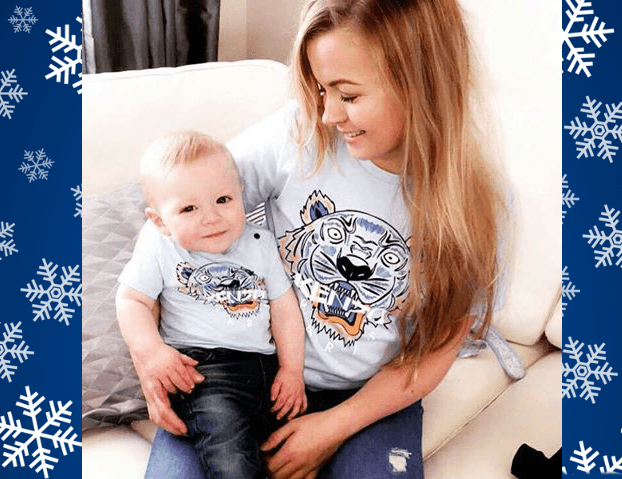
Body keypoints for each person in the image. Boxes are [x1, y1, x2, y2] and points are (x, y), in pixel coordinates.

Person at [141, 0, 511, 477]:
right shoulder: (295, 134)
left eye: (349, 95)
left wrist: (333, 426)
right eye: (319, 90)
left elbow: (436, 346)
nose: (328, 113)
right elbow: (175, 217)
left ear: (422, 84)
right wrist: (146, 350)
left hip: (370, 396)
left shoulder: (479, 206)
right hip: (242, 372)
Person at [116, 131, 308, 479]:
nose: (212, 217)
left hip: (265, 368)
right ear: (159, 221)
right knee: (230, 456)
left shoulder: (260, 242)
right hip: (205, 373)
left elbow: (284, 307)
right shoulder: (162, 249)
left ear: (242, 196)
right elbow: (131, 301)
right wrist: (153, 352)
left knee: (291, 448)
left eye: (223, 199)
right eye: (189, 208)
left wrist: (292, 370)